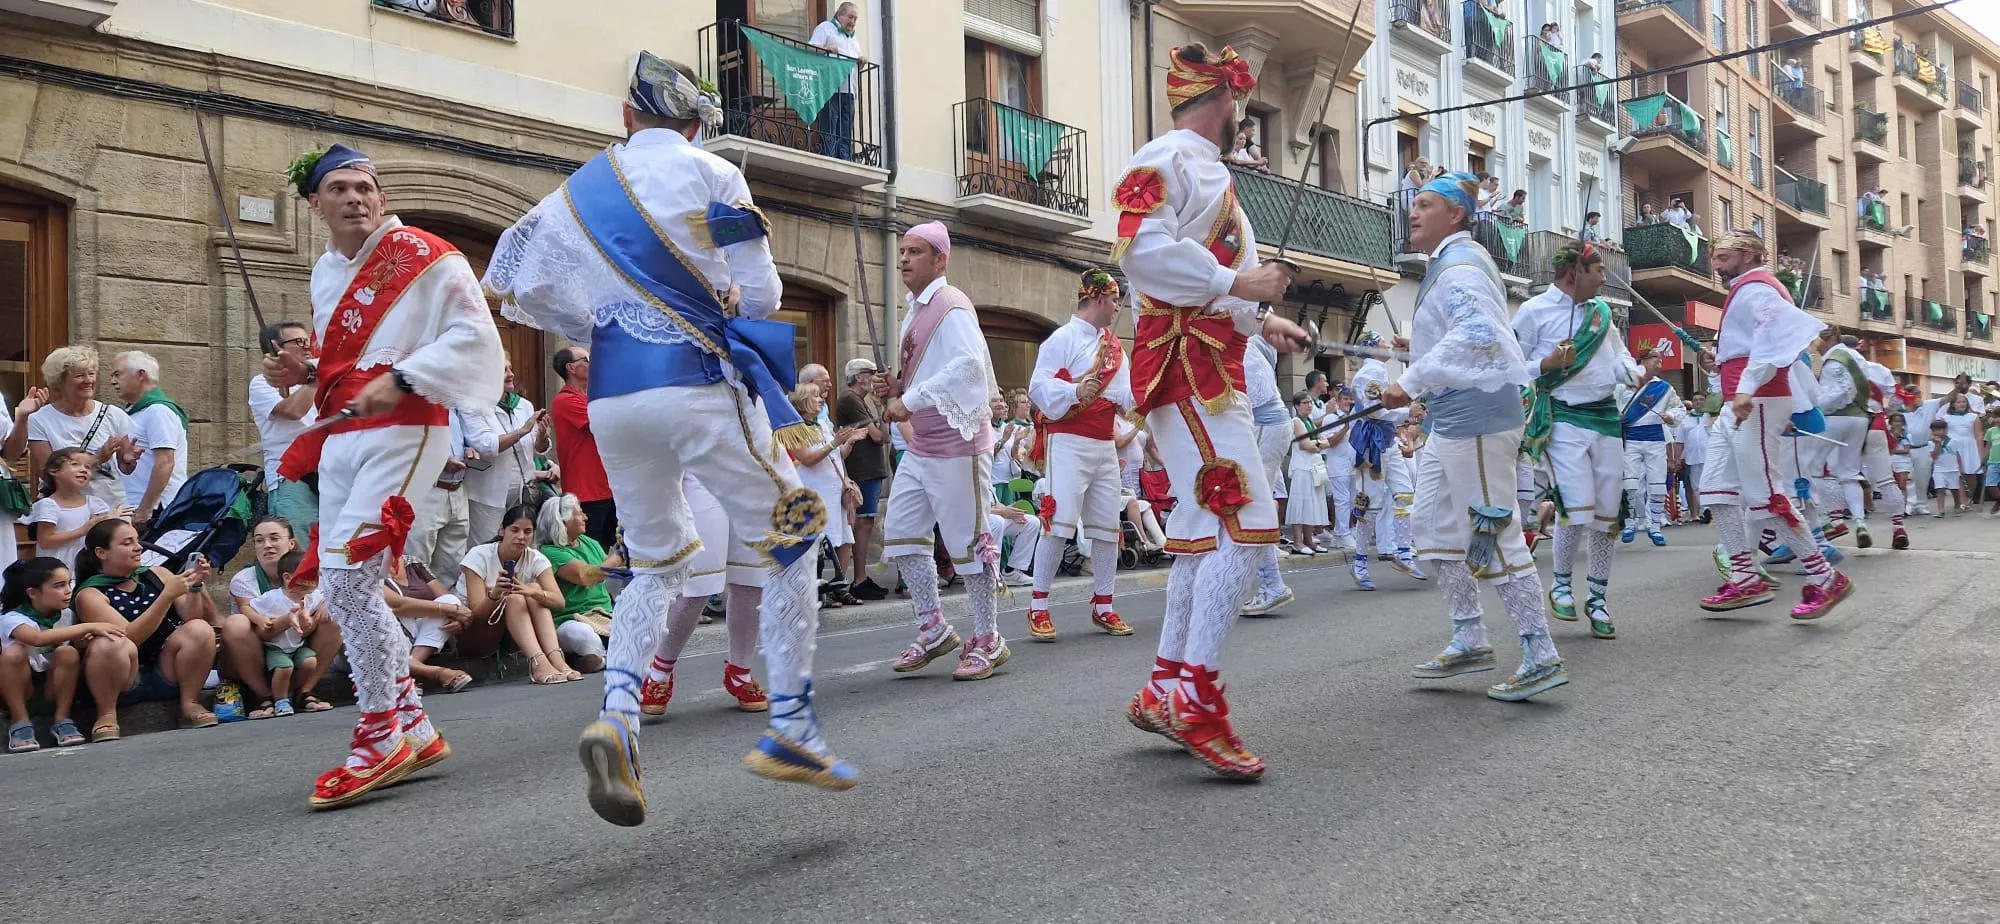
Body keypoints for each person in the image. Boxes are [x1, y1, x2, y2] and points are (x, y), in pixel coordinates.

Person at [485, 53, 856, 826]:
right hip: (695, 381)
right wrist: (720, 298)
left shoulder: (577, 190)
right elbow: (763, 293)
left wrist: (602, 320)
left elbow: (515, 279)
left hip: (617, 394)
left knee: (657, 562)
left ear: (626, 118)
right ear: (696, 123)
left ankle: (618, 719)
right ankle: (791, 722)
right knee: (794, 527)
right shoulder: (713, 173)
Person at [266, 142, 505, 808]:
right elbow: (363, 354)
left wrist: (401, 379)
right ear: (315, 203)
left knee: (346, 577)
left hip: (406, 427)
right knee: (349, 589)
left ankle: (379, 737)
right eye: (338, 188)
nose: (355, 197)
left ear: (381, 196)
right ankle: (413, 723)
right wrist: (311, 374)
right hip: (343, 433)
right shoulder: (323, 271)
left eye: (365, 186)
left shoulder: (427, 257)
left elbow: (476, 338)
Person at [1112, 42, 1313, 778]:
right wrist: (1238, 281)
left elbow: (1234, 283)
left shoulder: (1212, 173)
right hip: (1187, 367)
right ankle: (1196, 700)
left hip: (1216, 364)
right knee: (1247, 520)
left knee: (1202, 531)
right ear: (1223, 101)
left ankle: (1167, 685)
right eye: (1240, 103)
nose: (1244, 117)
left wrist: (1262, 321)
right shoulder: (1163, 157)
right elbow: (1139, 254)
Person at [1388, 170, 1567, 701]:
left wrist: (1411, 379)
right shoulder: (1449, 264)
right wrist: (1417, 357)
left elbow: (1481, 334)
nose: (1412, 211)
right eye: (1412, 203)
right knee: (1433, 529)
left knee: (1496, 531)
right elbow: (1468, 336)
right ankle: (1469, 636)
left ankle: (1541, 655)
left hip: (1480, 419)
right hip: (1452, 419)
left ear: (1457, 214)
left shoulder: (1459, 265)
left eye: (1424, 203)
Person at [875, 221, 1009, 681]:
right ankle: (933, 628)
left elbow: (969, 370)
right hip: (923, 445)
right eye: (903, 251)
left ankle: (989, 638)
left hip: (958, 446)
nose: (905, 258)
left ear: (940, 259)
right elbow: (933, 371)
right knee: (903, 533)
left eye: (916, 251)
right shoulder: (916, 311)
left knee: (967, 544)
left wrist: (907, 400)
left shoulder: (951, 307)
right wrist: (896, 386)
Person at [1697, 230, 1852, 619]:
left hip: (1758, 401)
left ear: (1747, 254)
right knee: (1716, 489)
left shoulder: (1758, 288)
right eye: (1713, 257)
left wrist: (1746, 387)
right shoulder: (1747, 289)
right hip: (1741, 402)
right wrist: (1721, 362)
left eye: (1722, 256)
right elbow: (1752, 347)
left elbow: (1770, 343)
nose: (1715, 263)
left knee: (1766, 495)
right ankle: (1746, 576)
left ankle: (1826, 578)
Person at [1514, 241, 1642, 639]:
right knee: (1576, 504)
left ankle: (1599, 598)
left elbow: (1620, 354)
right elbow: (1510, 365)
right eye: (1598, 270)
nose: (1605, 277)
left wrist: (1631, 372)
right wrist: (1546, 364)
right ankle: (1562, 585)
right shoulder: (1533, 311)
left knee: (1607, 514)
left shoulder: (1603, 313)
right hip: (1564, 416)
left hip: (1606, 416)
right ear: (1575, 273)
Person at [1022, 269, 1137, 641]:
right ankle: (1038, 604)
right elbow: (1038, 387)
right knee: (1058, 524)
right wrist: (1075, 390)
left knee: (1107, 527)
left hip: (1105, 443)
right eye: (1115, 299)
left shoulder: (1115, 348)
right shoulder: (1062, 338)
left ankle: (1104, 603)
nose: (1118, 306)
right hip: (1068, 441)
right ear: (1100, 298)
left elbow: (1128, 398)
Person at [638, 474, 771, 717]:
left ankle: (740, 671)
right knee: (698, 584)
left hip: (750, 471)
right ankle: (659, 671)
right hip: (700, 470)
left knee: (751, 581)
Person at [72, 519, 217, 734]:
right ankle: (106, 715)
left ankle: (190, 703)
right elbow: (130, 637)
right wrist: (166, 596)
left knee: (200, 629)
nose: (139, 547)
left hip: (166, 669)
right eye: (127, 543)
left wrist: (195, 586)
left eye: (137, 541)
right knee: (109, 643)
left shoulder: (158, 574)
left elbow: (191, 618)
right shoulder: (89, 594)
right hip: (124, 679)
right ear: (102, 552)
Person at [2, 557, 126, 752]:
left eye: (69, 583)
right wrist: (88, 625)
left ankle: (62, 720)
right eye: (59, 586)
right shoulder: (11, 619)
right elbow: (36, 639)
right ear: (33, 593)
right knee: (14, 653)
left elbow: (71, 643)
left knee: (67, 652)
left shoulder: (66, 615)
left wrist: (86, 638)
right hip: (23, 690)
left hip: (53, 687)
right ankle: (20, 721)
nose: (68, 590)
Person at [462, 501, 592, 684]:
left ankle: (556, 660)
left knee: (534, 590)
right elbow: (477, 614)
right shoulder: (479, 556)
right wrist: (496, 593)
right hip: (477, 633)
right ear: (502, 530)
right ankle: (538, 662)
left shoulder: (535, 558)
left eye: (527, 532)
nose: (521, 537)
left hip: (516, 632)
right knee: (515, 597)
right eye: (514, 530)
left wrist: (530, 591)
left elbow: (559, 602)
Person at [227, 515, 341, 716]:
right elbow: (263, 632)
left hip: (300, 642)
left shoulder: (312, 574)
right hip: (260, 646)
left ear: (291, 543)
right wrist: (291, 621)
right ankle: (264, 696)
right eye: (260, 540)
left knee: (335, 615)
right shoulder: (244, 580)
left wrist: (318, 613)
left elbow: (326, 600)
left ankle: (305, 691)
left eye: (274, 538)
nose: (267, 545)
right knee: (235, 624)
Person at [1814, 333, 1907, 549]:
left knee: (1834, 472)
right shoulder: (1878, 369)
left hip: (1841, 420)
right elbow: (1897, 398)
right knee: (1885, 480)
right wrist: (1885, 411)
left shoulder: (1835, 364)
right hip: (1873, 424)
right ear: (1860, 347)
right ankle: (1898, 527)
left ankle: (1839, 520)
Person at [1346, 335, 1425, 590]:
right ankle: (1359, 562)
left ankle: (1403, 552)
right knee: (1370, 504)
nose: (1386, 346)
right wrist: (1407, 412)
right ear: (1371, 349)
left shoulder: (1379, 371)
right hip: (1372, 445)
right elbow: (1375, 410)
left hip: (1388, 441)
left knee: (1404, 495)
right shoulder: (1369, 374)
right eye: (1381, 342)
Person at [21, 346, 135, 507]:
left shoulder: (113, 414)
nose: (88, 380)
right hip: (64, 510)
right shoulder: (40, 419)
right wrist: (96, 459)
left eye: (91, 373)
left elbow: (125, 468)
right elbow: (48, 473)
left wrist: (129, 462)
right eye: (80, 375)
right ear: (60, 382)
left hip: (110, 508)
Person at [786, 384, 862, 604]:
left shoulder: (821, 425)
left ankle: (839, 585)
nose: (821, 400)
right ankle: (815, 590)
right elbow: (808, 459)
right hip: (814, 491)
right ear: (802, 402)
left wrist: (849, 442)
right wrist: (835, 442)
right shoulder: (794, 429)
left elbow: (838, 455)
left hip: (833, 490)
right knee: (817, 542)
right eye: (815, 397)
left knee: (845, 539)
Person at [466, 361, 556, 548]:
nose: (511, 374)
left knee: (524, 547)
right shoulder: (473, 406)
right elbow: (487, 445)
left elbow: (538, 449)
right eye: (503, 370)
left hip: (524, 491)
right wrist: (522, 431)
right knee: (486, 548)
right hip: (489, 494)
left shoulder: (524, 405)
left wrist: (541, 436)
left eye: (511, 368)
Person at [1240, 325, 1296, 617]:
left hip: (1265, 425)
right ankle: (1263, 575)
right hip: (1272, 426)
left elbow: (1249, 401)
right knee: (1256, 503)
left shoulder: (1245, 346)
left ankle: (1271, 584)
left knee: (1252, 505)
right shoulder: (1255, 343)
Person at [249, 321, 321, 531]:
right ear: (276, 348)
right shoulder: (261, 382)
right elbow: (293, 411)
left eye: (308, 340)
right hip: (291, 479)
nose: (307, 346)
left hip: (326, 472)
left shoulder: (320, 373)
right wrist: (315, 379)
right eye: (299, 341)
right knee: (299, 549)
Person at [110, 351, 189, 529]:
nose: (112, 381)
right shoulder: (135, 411)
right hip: (135, 507)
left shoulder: (158, 411)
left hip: (156, 510)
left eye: (117, 374)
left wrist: (145, 509)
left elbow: (165, 463)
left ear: (141, 375)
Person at [405, 408, 482, 591]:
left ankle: (443, 610)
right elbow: (404, 446)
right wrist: (441, 460)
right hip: (427, 489)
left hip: (457, 489)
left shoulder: (454, 407)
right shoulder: (415, 403)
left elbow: (454, 442)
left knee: (451, 563)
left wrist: (467, 451)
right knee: (417, 560)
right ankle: (415, 612)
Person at [548, 347, 617, 548]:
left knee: (609, 547)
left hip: (606, 486)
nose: (591, 362)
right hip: (586, 490)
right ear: (571, 368)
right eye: (586, 359)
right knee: (592, 548)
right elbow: (605, 422)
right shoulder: (565, 400)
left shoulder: (590, 397)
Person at [835, 358, 891, 599]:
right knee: (861, 523)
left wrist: (882, 409)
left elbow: (884, 436)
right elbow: (879, 436)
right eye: (871, 374)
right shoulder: (850, 399)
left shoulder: (862, 402)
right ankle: (857, 578)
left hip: (871, 469)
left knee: (865, 522)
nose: (874, 378)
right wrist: (882, 416)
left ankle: (860, 577)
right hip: (863, 470)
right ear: (859, 376)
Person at [243, 548, 323, 717]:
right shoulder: (273, 598)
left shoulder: (312, 595)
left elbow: (326, 597)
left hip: (298, 645)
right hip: (277, 646)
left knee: (310, 662)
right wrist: (259, 619)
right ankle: (280, 701)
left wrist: (323, 609)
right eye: (308, 577)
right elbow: (246, 607)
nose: (314, 582)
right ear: (287, 578)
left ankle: (290, 692)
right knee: (284, 667)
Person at [1618, 350, 1685, 546]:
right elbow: (1612, 406)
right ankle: (1630, 522)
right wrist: (1617, 417)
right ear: (1644, 362)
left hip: (1655, 439)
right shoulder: (1625, 385)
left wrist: (1670, 416)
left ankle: (1654, 526)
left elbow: (1679, 408)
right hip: (1630, 438)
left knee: (1657, 484)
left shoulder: (1664, 388)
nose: (1660, 363)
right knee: (1630, 483)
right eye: (1656, 359)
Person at [380, 557, 473, 693]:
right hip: (384, 633)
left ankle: (410, 668)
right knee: (388, 613)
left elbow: (446, 598)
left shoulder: (412, 562)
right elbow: (397, 605)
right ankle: (437, 673)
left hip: (417, 631)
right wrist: (454, 610)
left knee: (451, 600)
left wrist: (458, 617)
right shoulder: (367, 566)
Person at [26, 448, 123, 572]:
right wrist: (82, 530)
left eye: (88, 467)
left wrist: (112, 521)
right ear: (54, 470)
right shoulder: (48, 505)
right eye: (75, 464)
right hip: (55, 572)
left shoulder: (94, 504)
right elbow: (46, 541)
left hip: (87, 573)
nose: (83, 470)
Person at [806, 2, 864, 161]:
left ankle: (844, 159)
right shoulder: (825, 28)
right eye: (850, 17)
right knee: (830, 125)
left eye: (855, 19)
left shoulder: (853, 39)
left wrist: (862, 61)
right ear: (839, 15)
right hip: (831, 88)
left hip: (849, 90)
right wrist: (827, 49)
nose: (852, 22)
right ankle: (829, 157)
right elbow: (810, 48)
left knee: (846, 128)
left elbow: (857, 62)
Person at [1285, 391, 1332, 552]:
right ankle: (1298, 542)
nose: (1309, 405)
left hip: (1313, 468)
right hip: (1302, 468)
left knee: (1312, 504)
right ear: (1297, 406)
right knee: (1301, 503)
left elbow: (1325, 442)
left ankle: (1309, 540)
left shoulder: (1310, 421)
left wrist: (1317, 443)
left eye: (1310, 402)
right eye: (1305, 402)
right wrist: (1319, 443)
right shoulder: (1297, 421)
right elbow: (1306, 446)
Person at [1929, 418, 1960, 515]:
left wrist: (1960, 467)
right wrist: (1937, 443)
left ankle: (1957, 505)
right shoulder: (1930, 443)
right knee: (1940, 489)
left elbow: (1958, 454)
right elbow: (1934, 456)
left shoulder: (1953, 441)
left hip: (1953, 468)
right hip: (1939, 469)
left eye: (1941, 429)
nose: (1938, 432)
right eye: (1935, 430)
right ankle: (1941, 509)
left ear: (1946, 429)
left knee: (1954, 489)